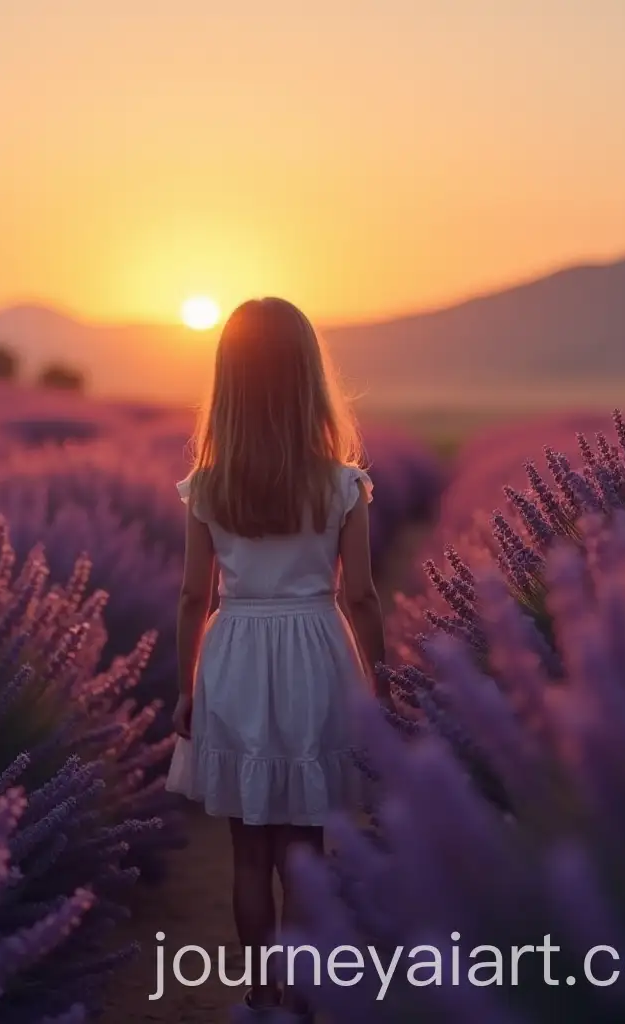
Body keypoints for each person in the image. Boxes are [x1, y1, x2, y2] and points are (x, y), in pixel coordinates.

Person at [166, 296, 391, 1019]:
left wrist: (185, 689)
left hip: (233, 656)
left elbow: (191, 596)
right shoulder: (340, 483)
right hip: (313, 656)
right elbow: (360, 595)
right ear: (308, 377)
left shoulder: (209, 484)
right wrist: (377, 687)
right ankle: (299, 997)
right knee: (304, 850)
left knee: (248, 852)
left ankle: (259, 994)